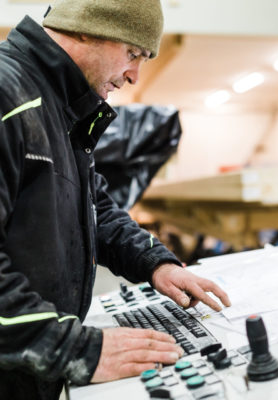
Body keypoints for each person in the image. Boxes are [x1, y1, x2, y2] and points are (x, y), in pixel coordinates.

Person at [0, 1, 231, 399]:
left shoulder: (58, 105)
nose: (134, 76)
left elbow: (93, 208)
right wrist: (76, 350)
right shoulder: (9, 97)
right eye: (133, 53)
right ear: (87, 27)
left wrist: (155, 263)